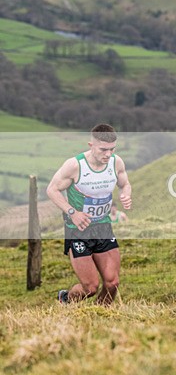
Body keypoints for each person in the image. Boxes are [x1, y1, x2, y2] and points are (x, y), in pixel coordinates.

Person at [47, 124, 132, 305]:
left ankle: (101, 313)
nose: (108, 154)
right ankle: (66, 299)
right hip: (78, 230)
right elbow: (52, 190)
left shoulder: (116, 162)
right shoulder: (75, 166)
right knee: (90, 288)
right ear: (91, 145)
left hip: (103, 227)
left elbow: (125, 183)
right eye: (103, 150)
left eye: (112, 149)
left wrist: (126, 194)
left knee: (112, 282)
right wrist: (73, 212)